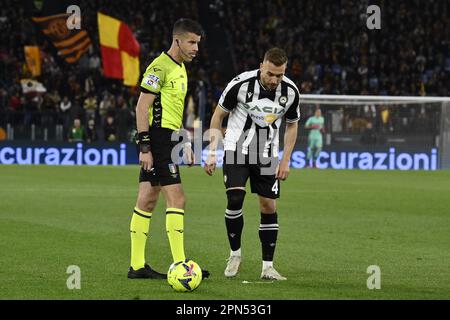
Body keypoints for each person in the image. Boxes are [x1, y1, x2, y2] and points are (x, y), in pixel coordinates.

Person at [204, 48, 300, 281]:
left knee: (268, 207)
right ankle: (235, 254)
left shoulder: (291, 91)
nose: (275, 80)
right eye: (270, 74)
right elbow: (218, 116)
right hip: (236, 149)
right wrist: (212, 151)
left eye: (279, 75)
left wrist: (286, 160)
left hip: (267, 154)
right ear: (261, 67)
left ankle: (268, 267)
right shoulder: (240, 84)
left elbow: (292, 125)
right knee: (235, 197)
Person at [129, 18, 209, 280]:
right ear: (177, 40)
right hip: (158, 139)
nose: (196, 48)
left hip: (170, 138)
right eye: (192, 42)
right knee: (178, 198)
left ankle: (137, 266)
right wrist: (145, 147)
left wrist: (184, 143)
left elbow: (174, 113)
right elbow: (141, 107)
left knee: (147, 199)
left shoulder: (182, 68)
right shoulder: (160, 67)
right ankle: (182, 266)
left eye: (198, 43)